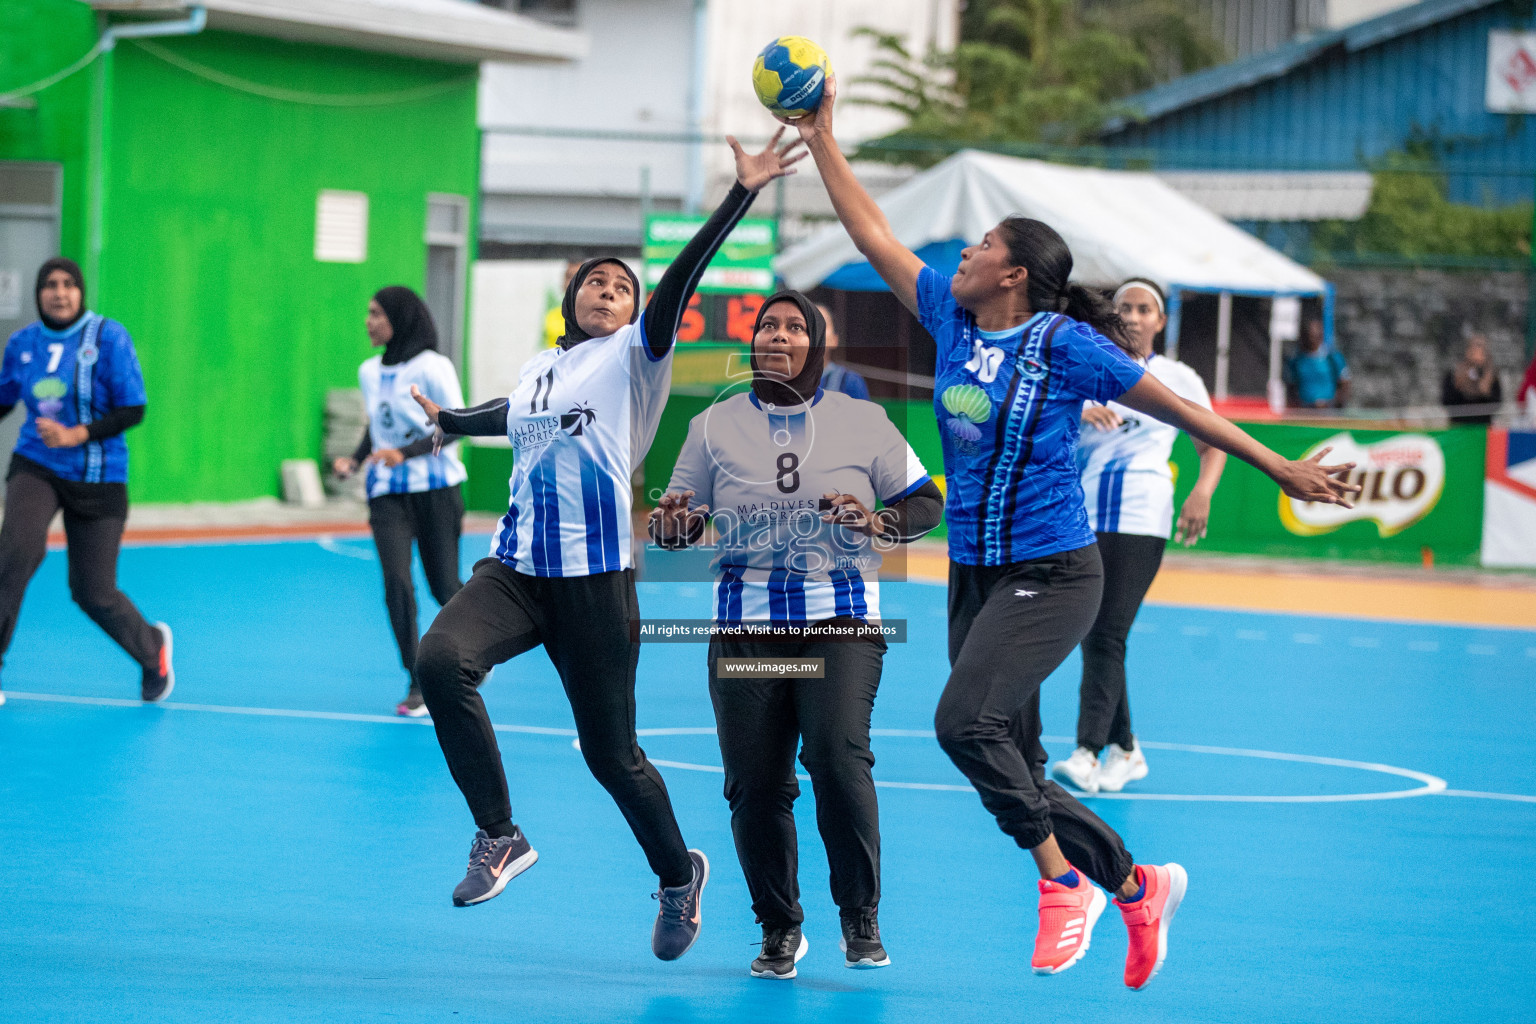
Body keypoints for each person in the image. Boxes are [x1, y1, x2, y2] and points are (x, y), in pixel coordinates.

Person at [783, 76, 1358, 989]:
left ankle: (1065, 888)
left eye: (979, 244)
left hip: (1052, 571)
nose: (961, 254)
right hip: (974, 571)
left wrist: (1279, 465)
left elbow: (1183, 412)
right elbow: (872, 235)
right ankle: (1136, 885)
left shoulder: (1065, 345)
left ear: (1012, 272)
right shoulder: (953, 319)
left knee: (962, 725)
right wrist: (821, 139)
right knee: (1014, 758)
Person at [404, 132, 805, 962]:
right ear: (571, 298)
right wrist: (444, 424)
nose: (609, 291)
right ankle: (499, 835)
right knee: (440, 661)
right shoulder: (539, 369)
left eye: (621, 286)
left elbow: (681, 279)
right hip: (514, 571)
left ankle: (676, 874)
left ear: (633, 312)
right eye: (596, 281)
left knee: (610, 755)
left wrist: (740, 192)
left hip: (594, 581)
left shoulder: (636, 356)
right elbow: (506, 413)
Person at [650, 291, 942, 979]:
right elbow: (677, 526)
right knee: (754, 785)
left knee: (838, 762)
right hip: (747, 630)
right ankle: (780, 927)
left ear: (817, 345)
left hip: (837, 623)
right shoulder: (712, 425)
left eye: (792, 327)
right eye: (766, 326)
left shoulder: (861, 421)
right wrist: (672, 523)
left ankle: (860, 917)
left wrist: (875, 521)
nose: (776, 335)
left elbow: (926, 502)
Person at [1052, 279, 1227, 796]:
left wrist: (1203, 492)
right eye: (1123, 306)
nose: (1131, 314)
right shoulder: (1086, 368)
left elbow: (1212, 440)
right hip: (1081, 511)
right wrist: (1077, 409)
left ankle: (1088, 752)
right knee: (1095, 630)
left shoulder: (1176, 377)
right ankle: (1126, 749)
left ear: (1160, 320)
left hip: (1141, 513)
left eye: (1143, 307)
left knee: (1107, 631)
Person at [0, 258, 173, 708]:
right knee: (17, 550)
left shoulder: (108, 337)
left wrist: (77, 434)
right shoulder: (21, 345)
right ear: (39, 294)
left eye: (68, 284)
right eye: (50, 285)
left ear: (80, 291)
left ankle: (152, 649)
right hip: (37, 465)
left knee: (93, 592)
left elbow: (133, 409)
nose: (59, 293)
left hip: (100, 476)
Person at [332, 287, 467, 717]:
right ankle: (417, 677)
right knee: (396, 583)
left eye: (376, 313)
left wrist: (404, 454)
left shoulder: (433, 366)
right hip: (387, 493)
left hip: (436, 489)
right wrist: (354, 460)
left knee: (444, 586)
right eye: (368, 313)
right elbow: (380, 427)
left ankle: (477, 648)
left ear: (400, 318)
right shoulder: (369, 371)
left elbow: (457, 424)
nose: (368, 321)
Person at [1283, 317, 1350, 409]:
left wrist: (1338, 405)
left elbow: (1344, 382)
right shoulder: (1296, 360)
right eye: (1309, 336)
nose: (1311, 339)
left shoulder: (1332, 358)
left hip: (1329, 409)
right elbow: (1291, 384)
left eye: (1315, 336)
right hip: (1304, 409)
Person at [1441, 333, 1503, 426]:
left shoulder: (1491, 376)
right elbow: (1447, 401)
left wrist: (1486, 390)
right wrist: (1458, 384)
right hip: (1459, 427)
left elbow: (1496, 403)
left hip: (1483, 428)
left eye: (1481, 348)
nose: (1477, 353)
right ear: (1467, 350)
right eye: (1474, 348)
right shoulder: (1454, 374)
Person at [816, 303, 871, 400]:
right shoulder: (785, 382)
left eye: (821, 324)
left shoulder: (850, 382)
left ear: (834, 340)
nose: (814, 330)